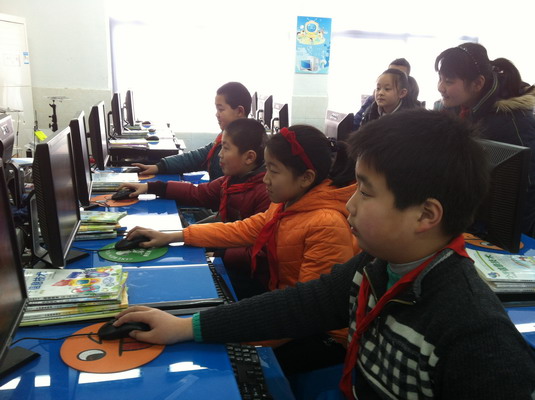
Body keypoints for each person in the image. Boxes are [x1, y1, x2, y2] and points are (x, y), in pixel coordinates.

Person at [115, 110, 535, 399]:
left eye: (364, 192)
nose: (349, 205)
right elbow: (299, 304)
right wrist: (186, 327)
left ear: (425, 215)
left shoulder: (478, 340)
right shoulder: (375, 268)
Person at [122, 124, 359, 373]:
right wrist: (173, 236)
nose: (265, 179)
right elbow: (243, 229)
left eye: (274, 171)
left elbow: (306, 312)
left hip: (320, 335)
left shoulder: (325, 224)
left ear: (306, 178)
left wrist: (204, 331)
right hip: (287, 309)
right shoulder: (287, 204)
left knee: (218, 359)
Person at [119, 118, 271, 299]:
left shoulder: (266, 193)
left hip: (251, 277)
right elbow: (197, 193)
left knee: (178, 281)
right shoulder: (232, 181)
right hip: (229, 254)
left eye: (226, 148)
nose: (220, 155)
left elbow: (261, 253)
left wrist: (218, 254)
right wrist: (151, 187)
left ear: (249, 157)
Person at [435, 42, 535, 237]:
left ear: (478, 84)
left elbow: (525, 191)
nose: (440, 87)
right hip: (472, 216)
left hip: (502, 231)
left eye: (448, 81)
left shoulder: (512, 121)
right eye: (440, 78)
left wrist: (510, 240)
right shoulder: (458, 108)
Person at [132, 82, 252, 181]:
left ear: (239, 111)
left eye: (221, 109)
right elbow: (198, 157)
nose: (217, 114)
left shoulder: (245, 144)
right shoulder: (224, 137)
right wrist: (159, 167)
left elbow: (219, 191)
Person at [353, 58, 416, 129]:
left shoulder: (413, 115)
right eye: (378, 88)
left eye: (387, 89)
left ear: (402, 93)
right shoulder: (371, 107)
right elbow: (357, 123)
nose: (380, 93)